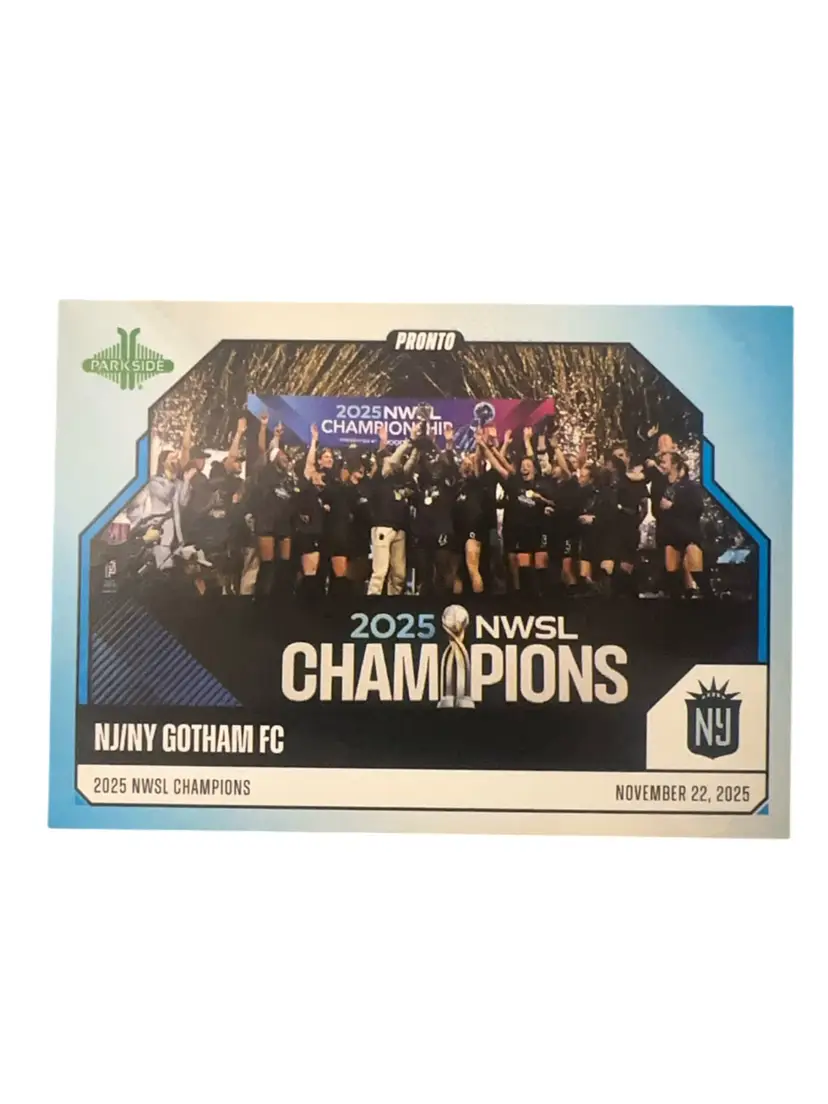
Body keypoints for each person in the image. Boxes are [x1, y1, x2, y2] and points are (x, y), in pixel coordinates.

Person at [366, 424, 418, 596]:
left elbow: (410, 463)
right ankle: (371, 603)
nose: (393, 460)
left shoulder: (399, 478)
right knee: (380, 572)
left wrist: (417, 447)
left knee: (399, 575)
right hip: (383, 526)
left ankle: (393, 604)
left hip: (399, 529)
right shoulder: (380, 477)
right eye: (388, 458)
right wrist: (409, 440)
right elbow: (394, 459)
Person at [252, 415, 298, 601]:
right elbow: (263, 449)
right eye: (281, 455)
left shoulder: (288, 477)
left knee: (285, 565)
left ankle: (282, 599)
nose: (285, 457)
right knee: (268, 566)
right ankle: (261, 601)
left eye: (285, 456)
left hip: (284, 524)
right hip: (267, 523)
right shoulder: (267, 471)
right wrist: (266, 429)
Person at [410, 426, 459, 597]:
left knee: (442, 570)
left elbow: (448, 463)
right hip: (422, 531)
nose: (435, 468)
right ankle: (424, 603)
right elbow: (418, 462)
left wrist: (440, 444)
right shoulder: (422, 483)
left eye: (438, 466)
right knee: (424, 573)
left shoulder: (448, 483)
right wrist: (423, 441)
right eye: (432, 466)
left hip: (442, 530)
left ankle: (442, 603)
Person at [658, 451, 706, 598]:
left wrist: (674, 506)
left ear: (674, 464)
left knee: (696, 573)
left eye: (664, 462)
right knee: (672, 578)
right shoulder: (664, 487)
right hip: (671, 536)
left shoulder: (691, 486)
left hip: (689, 535)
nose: (661, 465)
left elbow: (698, 507)